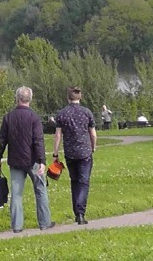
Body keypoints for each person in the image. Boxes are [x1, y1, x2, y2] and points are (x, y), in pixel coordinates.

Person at [0, 86, 55, 233]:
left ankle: (17, 226)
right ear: (30, 99)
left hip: (15, 161)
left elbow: (2, 140)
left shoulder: (9, 117)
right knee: (40, 190)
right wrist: (42, 161)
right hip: (33, 160)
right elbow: (38, 141)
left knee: (16, 193)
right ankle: (44, 223)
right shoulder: (34, 118)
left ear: (17, 98)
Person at [53, 86, 97, 225]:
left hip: (70, 152)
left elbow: (58, 135)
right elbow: (93, 133)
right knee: (84, 182)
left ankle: (77, 212)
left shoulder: (62, 114)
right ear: (80, 97)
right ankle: (80, 212)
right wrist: (93, 146)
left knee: (74, 181)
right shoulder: (87, 112)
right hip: (85, 152)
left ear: (68, 98)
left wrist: (55, 153)